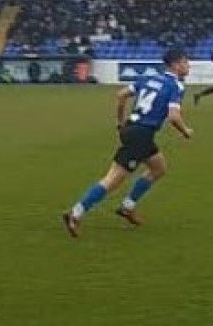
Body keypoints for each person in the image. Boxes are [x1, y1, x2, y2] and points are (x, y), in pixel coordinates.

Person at [61, 48, 194, 237]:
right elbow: (173, 116)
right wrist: (186, 131)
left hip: (133, 130)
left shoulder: (148, 78)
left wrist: (119, 121)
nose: (188, 66)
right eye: (186, 62)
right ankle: (75, 213)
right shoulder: (176, 86)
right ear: (176, 64)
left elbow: (121, 95)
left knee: (159, 168)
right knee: (113, 179)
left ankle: (127, 207)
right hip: (141, 134)